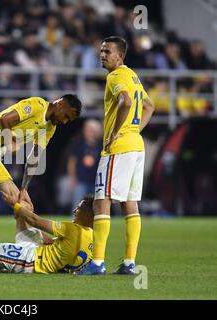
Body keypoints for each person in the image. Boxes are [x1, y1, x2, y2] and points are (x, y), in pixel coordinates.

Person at [74, 36, 155, 275]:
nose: (102, 55)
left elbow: (126, 101)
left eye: (107, 51)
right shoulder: (133, 76)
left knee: (102, 200)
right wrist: (133, 130)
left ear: (120, 56)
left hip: (118, 149)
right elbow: (149, 106)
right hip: (136, 146)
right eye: (101, 51)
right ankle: (129, 264)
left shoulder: (115, 76)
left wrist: (116, 133)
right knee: (130, 204)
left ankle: (97, 263)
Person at [0, 95, 82, 245]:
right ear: (60, 104)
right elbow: (5, 119)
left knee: (23, 204)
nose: (64, 121)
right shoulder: (37, 105)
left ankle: (26, 247)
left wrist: (24, 189)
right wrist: (11, 141)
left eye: (69, 120)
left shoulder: (50, 128)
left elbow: (34, 158)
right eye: (66, 116)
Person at [66, 118, 102, 209]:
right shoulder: (79, 143)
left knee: (96, 207)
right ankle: (75, 221)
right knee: (77, 205)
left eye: (91, 130)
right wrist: (72, 178)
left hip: (96, 181)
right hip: (80, 181)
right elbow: (72, 162)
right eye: (86, 130)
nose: (88, 132)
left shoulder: (101, 145)